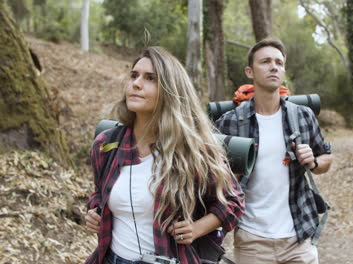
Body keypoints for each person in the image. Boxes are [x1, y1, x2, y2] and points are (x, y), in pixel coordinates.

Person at [84, 46, 244, 264]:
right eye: (134, 76)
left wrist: (196, 229)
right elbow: (99, 194)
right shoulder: (107, 144)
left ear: (169, 90)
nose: (136, 83)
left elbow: (233, 201)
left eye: (150, 78)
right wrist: (94, 212)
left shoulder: (193, 151)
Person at [216, 38, 333, 264]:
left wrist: (315, 163)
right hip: (252, 241)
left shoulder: (302, 116)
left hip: (298, 238)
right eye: (266, 62)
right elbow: (209, 177)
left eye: (279, 62)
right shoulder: (229, 123)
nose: (274, 67)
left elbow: (326, 157)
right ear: (250, 71)